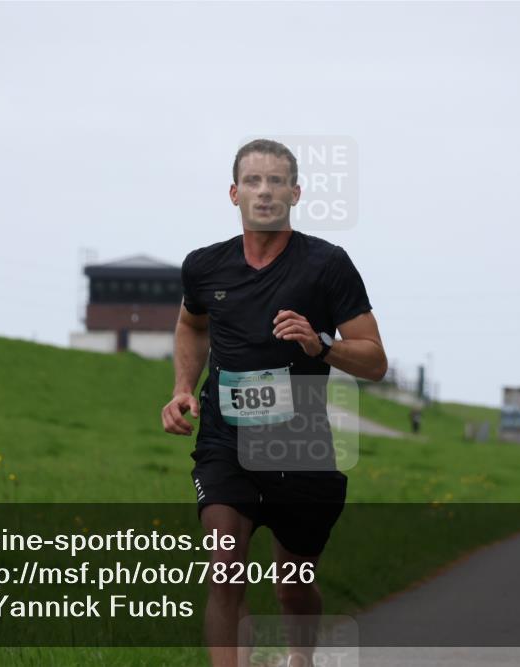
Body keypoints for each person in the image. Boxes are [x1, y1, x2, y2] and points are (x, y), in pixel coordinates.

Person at [161, 139, 387, 667]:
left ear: (296, 192)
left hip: (299, 445)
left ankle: (300, 658)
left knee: (293, 587)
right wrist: (181, 390)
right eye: (255, 182)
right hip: (225, 437)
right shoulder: (204, 267)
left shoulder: (327, 265)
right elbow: (191, 325)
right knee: (225, 570)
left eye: (277, 181)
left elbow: (375, 360)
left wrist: (320, 344)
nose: (265, 192)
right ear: (235, 193)